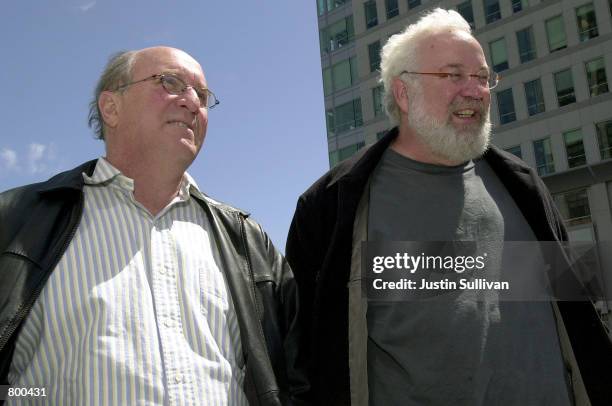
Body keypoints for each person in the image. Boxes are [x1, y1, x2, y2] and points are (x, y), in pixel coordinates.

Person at [286, 9, 612, 406]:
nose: (475, 90)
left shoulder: (525, 187)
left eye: (482, 77)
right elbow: (305, 362)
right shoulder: (333, 205)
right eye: (453, 75)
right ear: (403, 93)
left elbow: (581, 326)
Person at [0, 46, 306, 405]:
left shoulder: (247, 242)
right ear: (111, 107)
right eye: (171, 82)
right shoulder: (16, 221)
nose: (193, 103)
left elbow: (296, 377)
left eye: (203, 96)